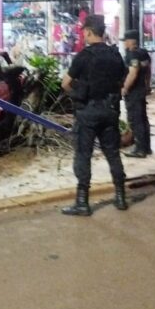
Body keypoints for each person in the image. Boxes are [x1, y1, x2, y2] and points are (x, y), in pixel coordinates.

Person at [60, 14, 128, 216]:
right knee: (113, 154)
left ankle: (82, 203)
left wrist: (78, 95)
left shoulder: (83, 56)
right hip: (110, 111)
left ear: (88, 31)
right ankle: (121, 197)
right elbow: (121, 82)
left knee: (83, 155)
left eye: (84, 32)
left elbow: (65, 83)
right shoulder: (116, 55)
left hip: (87, 112)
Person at [121, 29, 152, 158]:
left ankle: (139, 149)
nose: (124, 44)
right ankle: (146, 147)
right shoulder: (143, 53)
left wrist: (125, 88)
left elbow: (133, 73)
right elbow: (148, 69)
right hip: (141, 90)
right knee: (143, 119)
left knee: (135, 120)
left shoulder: (132, 55)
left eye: (125, 41)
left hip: (134, 92)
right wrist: (147, 85)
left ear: (130, 41)